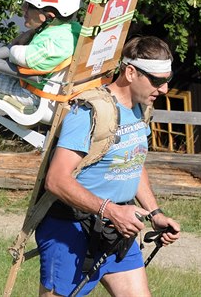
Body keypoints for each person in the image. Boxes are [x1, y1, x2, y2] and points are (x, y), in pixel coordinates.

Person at [37, 36, 181, 296]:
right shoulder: (89, 112)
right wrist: (109, 210)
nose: (164, 89)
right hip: (71, 229)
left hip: (117, 230)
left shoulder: (141, 109)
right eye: (157, 81)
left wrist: (155, 214)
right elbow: (56, 180)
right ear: (130, 72)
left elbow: (132, 163)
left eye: (167, 80)